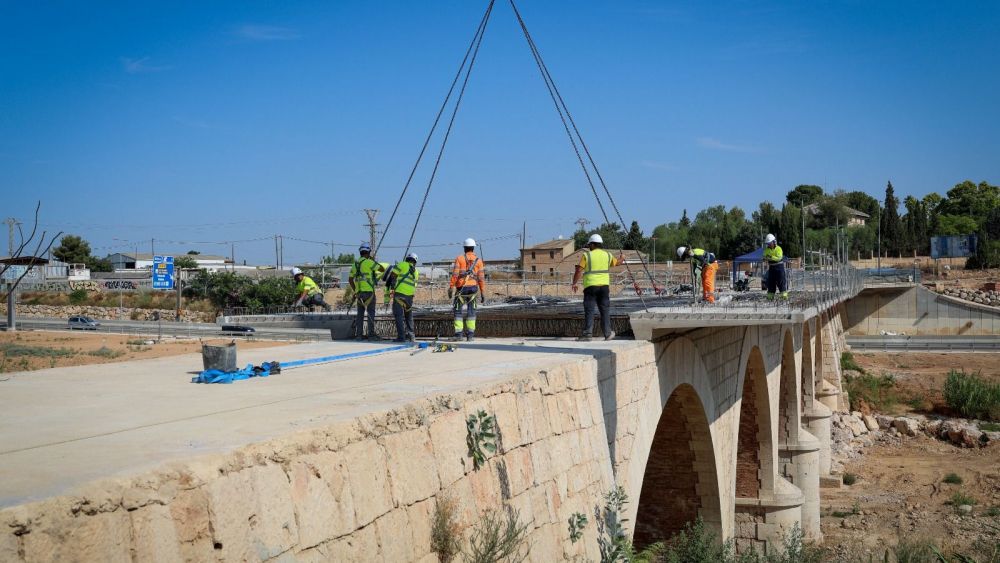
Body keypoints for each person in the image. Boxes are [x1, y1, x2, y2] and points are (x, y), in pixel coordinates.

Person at [571, 234, 623, 341]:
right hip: (604, 287)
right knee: (604, 310)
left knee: (589, 310)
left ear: (592, 244)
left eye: (589, 245)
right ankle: (608, 334)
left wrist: (574, 283)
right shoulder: (607, 255)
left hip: (591, 287)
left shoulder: (587, 255)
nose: (589, 247)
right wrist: (622, 258)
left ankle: (587, 334)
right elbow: (617, 263)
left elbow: (579, 270)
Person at [448, 238, 485, 341]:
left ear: (464, 248)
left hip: (461, 288)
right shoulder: (479, 261)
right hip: (473, 289)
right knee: (471, 312)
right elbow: (481, 278)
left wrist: (451, 287)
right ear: (473, 248)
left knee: (458, 311)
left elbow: (455, 275)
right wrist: (482, 292)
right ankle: (470, 336)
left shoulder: (459, 259)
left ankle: (458, 335)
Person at [384, 252, 419, 342]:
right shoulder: (416, 271)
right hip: (410, 296)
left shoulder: (401, 264)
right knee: (409, 316)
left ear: (407, 259)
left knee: (398, 315)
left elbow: (393, 276)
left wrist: (392, 287)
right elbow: (414, 285)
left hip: (399, 294)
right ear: (415, 262)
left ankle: (401, 337)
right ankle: (411, 336)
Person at [349, 243, 380, 340]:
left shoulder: (355, 264)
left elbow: (350, 279)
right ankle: (371, 335)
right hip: (369, 292)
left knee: (360, 314)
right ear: (368, 252)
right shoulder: (369, 262)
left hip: (359, 294)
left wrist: (356, 290)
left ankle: (359, 335)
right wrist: (372, 260)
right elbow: (381, 269)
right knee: (371, 313)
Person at [763, 233, 788, 300]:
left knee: (781, 281)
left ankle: (783, 295)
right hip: (771, 267)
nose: (769, 244)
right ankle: (770, 296)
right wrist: (766, 258)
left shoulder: (778, 249)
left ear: (774, 242)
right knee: (771, 282)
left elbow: (779, 258)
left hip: (779, 267)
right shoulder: (767, 249)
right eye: (768, 243)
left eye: (770, 243)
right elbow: (764, 256)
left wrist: (770, 257)